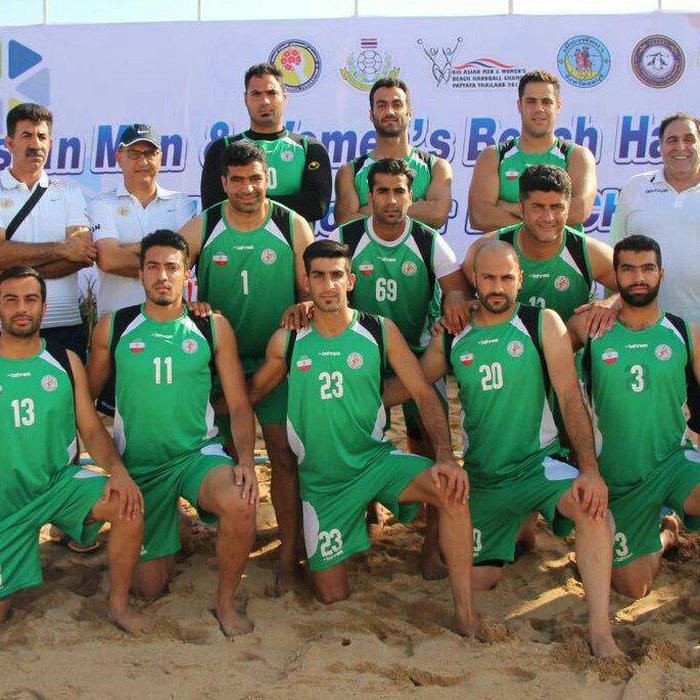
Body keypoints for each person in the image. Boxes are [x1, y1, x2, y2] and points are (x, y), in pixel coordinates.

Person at [386, 239, 620, 658]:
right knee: (479, 580)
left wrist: (589, 469)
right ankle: (520, 529)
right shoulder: (453, 334)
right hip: (484, 477)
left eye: (506, 278)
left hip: (537, 466)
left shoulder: (542, 323)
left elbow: (570, 398)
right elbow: (415, 385)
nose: (497, 287)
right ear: (474, 280)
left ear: (520, 280)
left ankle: (601, 632)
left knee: (592, 507)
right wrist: (357, 398)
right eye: (489, 278)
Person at [249, 239, 477, 635]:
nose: (328, 285)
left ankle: (465, 611)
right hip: (324, 485)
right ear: (307, 283)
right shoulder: (288, 340)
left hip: (375, 463)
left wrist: (445, 455)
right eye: (319, 276)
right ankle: (332, 542)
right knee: (331, 596)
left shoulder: (378, 329)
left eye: (337, 275)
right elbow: (250, 396)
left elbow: (424, 393)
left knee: (451, 489)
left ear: (351, 281)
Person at [87, 230, 258, 636]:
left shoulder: (211, 326)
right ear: (140, 274)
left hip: (196, 456)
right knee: (148, 589)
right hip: (141, 467)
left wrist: (248, 461)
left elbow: (238, 405)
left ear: (186, 275)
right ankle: (175, 524)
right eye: (153, 267)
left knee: (242, 501)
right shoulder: (114, 327)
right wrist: (112, 467)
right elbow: (87, 403)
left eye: (171, 268)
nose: (162, 276)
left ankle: (225, 603)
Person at [182, 140, 315, 596]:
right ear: (223, 183)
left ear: (267, 179)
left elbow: (313, 288)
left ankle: (288, 556)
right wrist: (189, 304)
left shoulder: (290, 223)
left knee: (283, 456)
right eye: (237, 180)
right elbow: (168, 269)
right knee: (223, 458)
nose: (247, 188)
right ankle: (233, 539)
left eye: (255, 179)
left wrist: (304, 304)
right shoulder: (205, 223)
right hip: (221, 362)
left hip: (276, 360)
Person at [330, 157, 470, 579]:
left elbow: (456, 289)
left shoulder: (429, 240)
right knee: (358, 441)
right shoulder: (347, 237)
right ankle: (365, 515)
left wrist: (452, 307)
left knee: (430, 442)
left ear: (411, 196)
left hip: (418, 354)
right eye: (383, 191)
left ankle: (431, 543)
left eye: (399, 191)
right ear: (370, 196)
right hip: (363, 355)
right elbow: (320, 285)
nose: (391, 200)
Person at [0, 266, 149, 633]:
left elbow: (92, 430)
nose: (22, 308)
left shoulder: (65, 360)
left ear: (44, 307)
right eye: (11, 300)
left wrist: (118, 472)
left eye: (31, 299)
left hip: (57, 486)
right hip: (5, 502)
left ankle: (118, 606)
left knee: (128, 503)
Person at [568, 235, 700, 598]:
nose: (638, 277)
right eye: (627, 269)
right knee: (633, 588)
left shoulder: (685, 332)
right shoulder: (589, 329)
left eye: (647, 268)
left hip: (673, 463)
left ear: (661, 273)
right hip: (618, 481)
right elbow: (542, 352)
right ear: (615, 276)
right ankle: (667, 533)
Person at [88, 123, 195, 415]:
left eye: (150, 153)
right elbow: (108, 260)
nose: (143, 161)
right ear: (118, 158)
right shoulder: (101, 203)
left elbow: (186, 261)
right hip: (117, 331)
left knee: (168, 416)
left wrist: (128, 249)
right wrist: (162, 253)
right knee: (117, 421)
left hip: (169, 330)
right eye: (134, 154)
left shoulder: (181, 203)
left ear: (160, 157)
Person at [609, 112, 700, 431]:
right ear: (660, 146)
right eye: (672, 140)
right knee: (648, 427)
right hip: (646, 334)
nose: (681, 147)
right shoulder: (636, 188)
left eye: (689, 139)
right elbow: (614, 256)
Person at [463, 165, 618, 337]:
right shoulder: (487, 248)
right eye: (538, 207)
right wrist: (459, 299)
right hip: (503, 349)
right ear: (521, 208)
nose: (548, 217)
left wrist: (612, 303)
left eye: (557, 207)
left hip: (568, 348)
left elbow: (634, 286)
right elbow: (458, 290)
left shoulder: (587, 251)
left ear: (568, 208)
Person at [0, 103, 96, 361]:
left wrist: (13, 272)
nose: (36, 144)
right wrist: (60, 248)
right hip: (6, 327)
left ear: (51, 144)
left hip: (64, 325)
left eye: (42, 136)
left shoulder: (69, 193)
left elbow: (82, 254)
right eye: (26, 135)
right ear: (9, 143)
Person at [200, 62, 331, 223]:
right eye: (256, 94)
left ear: (284, 97)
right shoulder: (223, 148)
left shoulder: (308, 148)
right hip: (235, 239)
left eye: (272, 93)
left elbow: (316, 206)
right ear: (245, 99)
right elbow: (213, 206)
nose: (265, 101)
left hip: (293, 240)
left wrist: (247, 202)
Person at [468, 71, 596, 233]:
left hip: (563, 249)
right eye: (531, 101)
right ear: (519, 105)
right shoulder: (494, 156)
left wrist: (509, 207)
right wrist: (544, 222)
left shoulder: (577, 156)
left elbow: (579, 211)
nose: (539, 109)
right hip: (507, 248)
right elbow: (480, 216)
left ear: (558, 106)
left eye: (546, 102)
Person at [334, 77, 452, 228]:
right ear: (371, 115)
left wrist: (370, 209)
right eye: (382, 105)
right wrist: (416, 207)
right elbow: (346, 222)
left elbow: (438, 214)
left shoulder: (436, 166)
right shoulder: (350, 171)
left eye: (397, 104)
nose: (390, 111)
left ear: (409, 113)